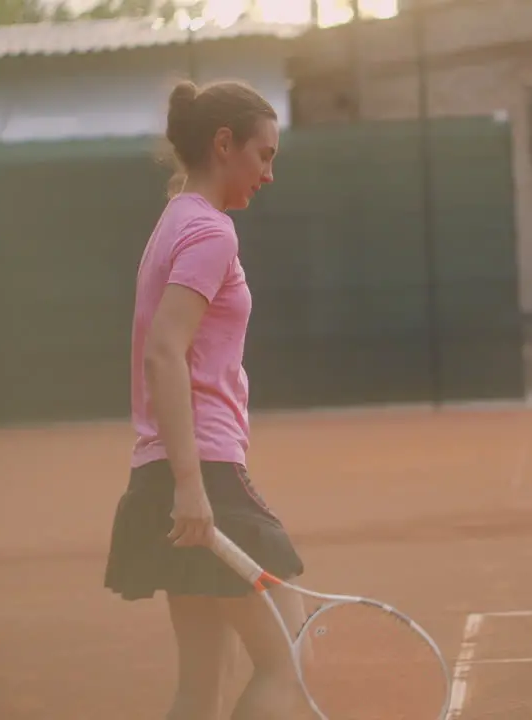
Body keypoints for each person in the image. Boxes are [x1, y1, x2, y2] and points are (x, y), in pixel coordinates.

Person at [103, 79, 309, 720]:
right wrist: (192, 487)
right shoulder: (211, 233)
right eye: (264, 155)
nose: (269, 174)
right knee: (289, 662)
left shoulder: (174, 221)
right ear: (225, 145)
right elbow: (164, 352)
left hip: (170, 471)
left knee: (202, 684)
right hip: (205, 476)